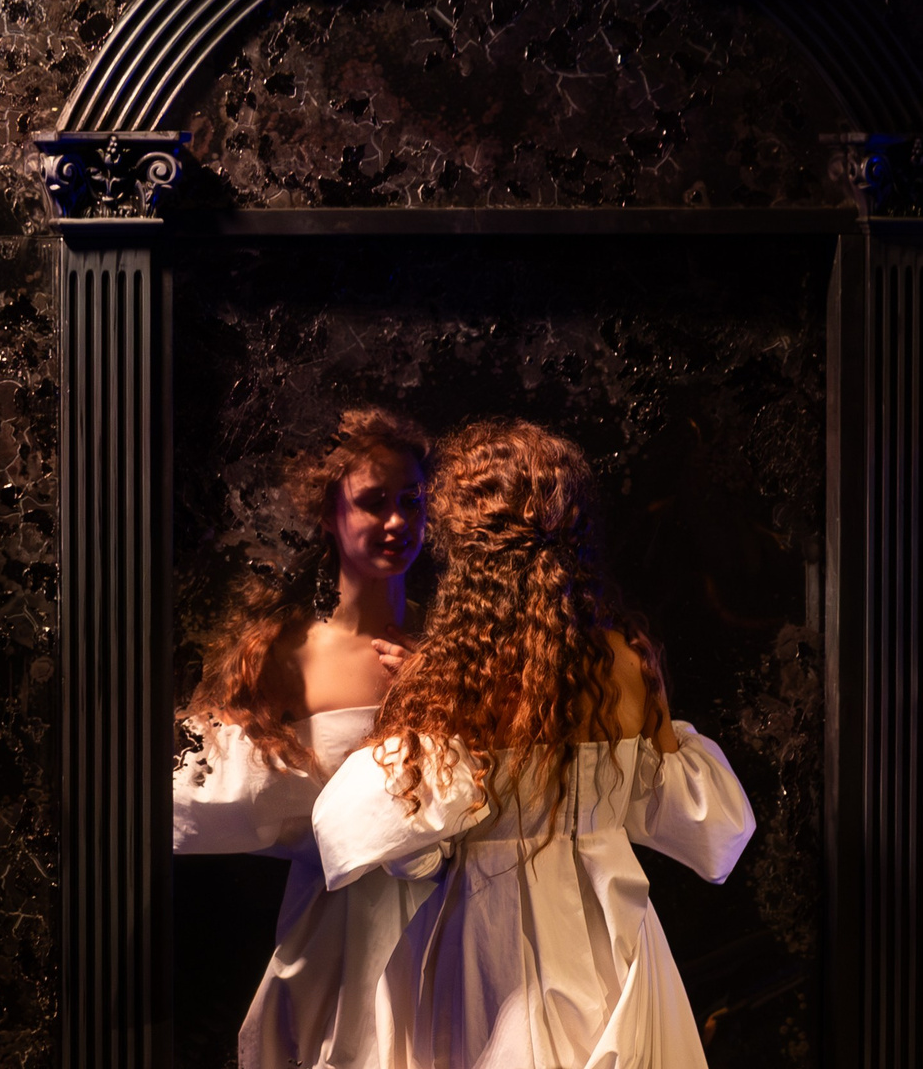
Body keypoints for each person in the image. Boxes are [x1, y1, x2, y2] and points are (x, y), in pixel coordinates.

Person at [312, 418, 757, 1069]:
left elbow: (384, 841)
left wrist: (418, 704)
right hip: (612, 934)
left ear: (467, 546)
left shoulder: (454, 680)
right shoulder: (623, 662)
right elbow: (701, 820)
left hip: (485, 945)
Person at [173, 406, 433, 1069]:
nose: (398, 521)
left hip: (445, 926)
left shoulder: (450, 648)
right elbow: (205, 791)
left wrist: (440, 690)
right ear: (329, 514)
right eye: (374, 501)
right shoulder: (285, 657)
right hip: (334, 935)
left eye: (411, 500)